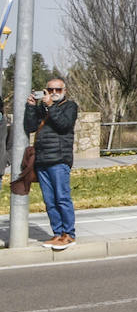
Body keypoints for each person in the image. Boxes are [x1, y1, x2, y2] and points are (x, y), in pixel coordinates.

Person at [25, 76, 78, 250]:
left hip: (59, 159)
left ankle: (68, 234)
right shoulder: (44, 108)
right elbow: (30, 127)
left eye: (58, 90)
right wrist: (31, 107)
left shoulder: (70, 107)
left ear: (65, 91)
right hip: (42, 160)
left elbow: (63, 125)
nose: (54, 93)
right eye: (50, 90)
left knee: (62, 198)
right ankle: (57, 233)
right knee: (49, 200)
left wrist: (50, 106)